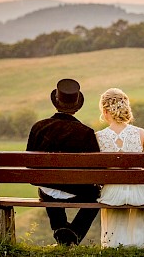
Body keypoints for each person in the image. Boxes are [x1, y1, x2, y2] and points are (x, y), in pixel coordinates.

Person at [27, 78, 101, 246]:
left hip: (47, 189)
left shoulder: (38, 127)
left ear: (56, 102)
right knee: (96, 197)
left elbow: (29, 164)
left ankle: (60, 228)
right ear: (76, 106)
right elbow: (96, 169)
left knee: (48, 187)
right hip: (77, 192)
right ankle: (74, 233)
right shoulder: (86, 132)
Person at [95, 88, 144, 248]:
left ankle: (115, 245)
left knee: (118, 202)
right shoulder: (140, 133)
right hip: (141, 189)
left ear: (106, 111)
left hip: (112, 192)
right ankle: (143, 244)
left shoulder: (98, 137)